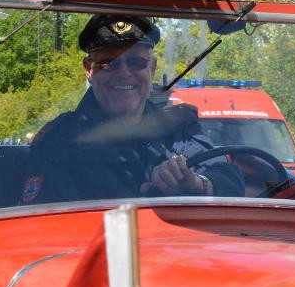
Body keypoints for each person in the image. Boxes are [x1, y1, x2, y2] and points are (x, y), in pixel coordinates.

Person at [20, 14, 245, 205]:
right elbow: (50, 225)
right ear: (89, 69)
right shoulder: (59, 140)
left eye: (136, 63)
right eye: (110, 63)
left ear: (152, 68)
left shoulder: (179, 128)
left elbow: (230, 181)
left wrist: (196, 185)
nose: (124, 73)